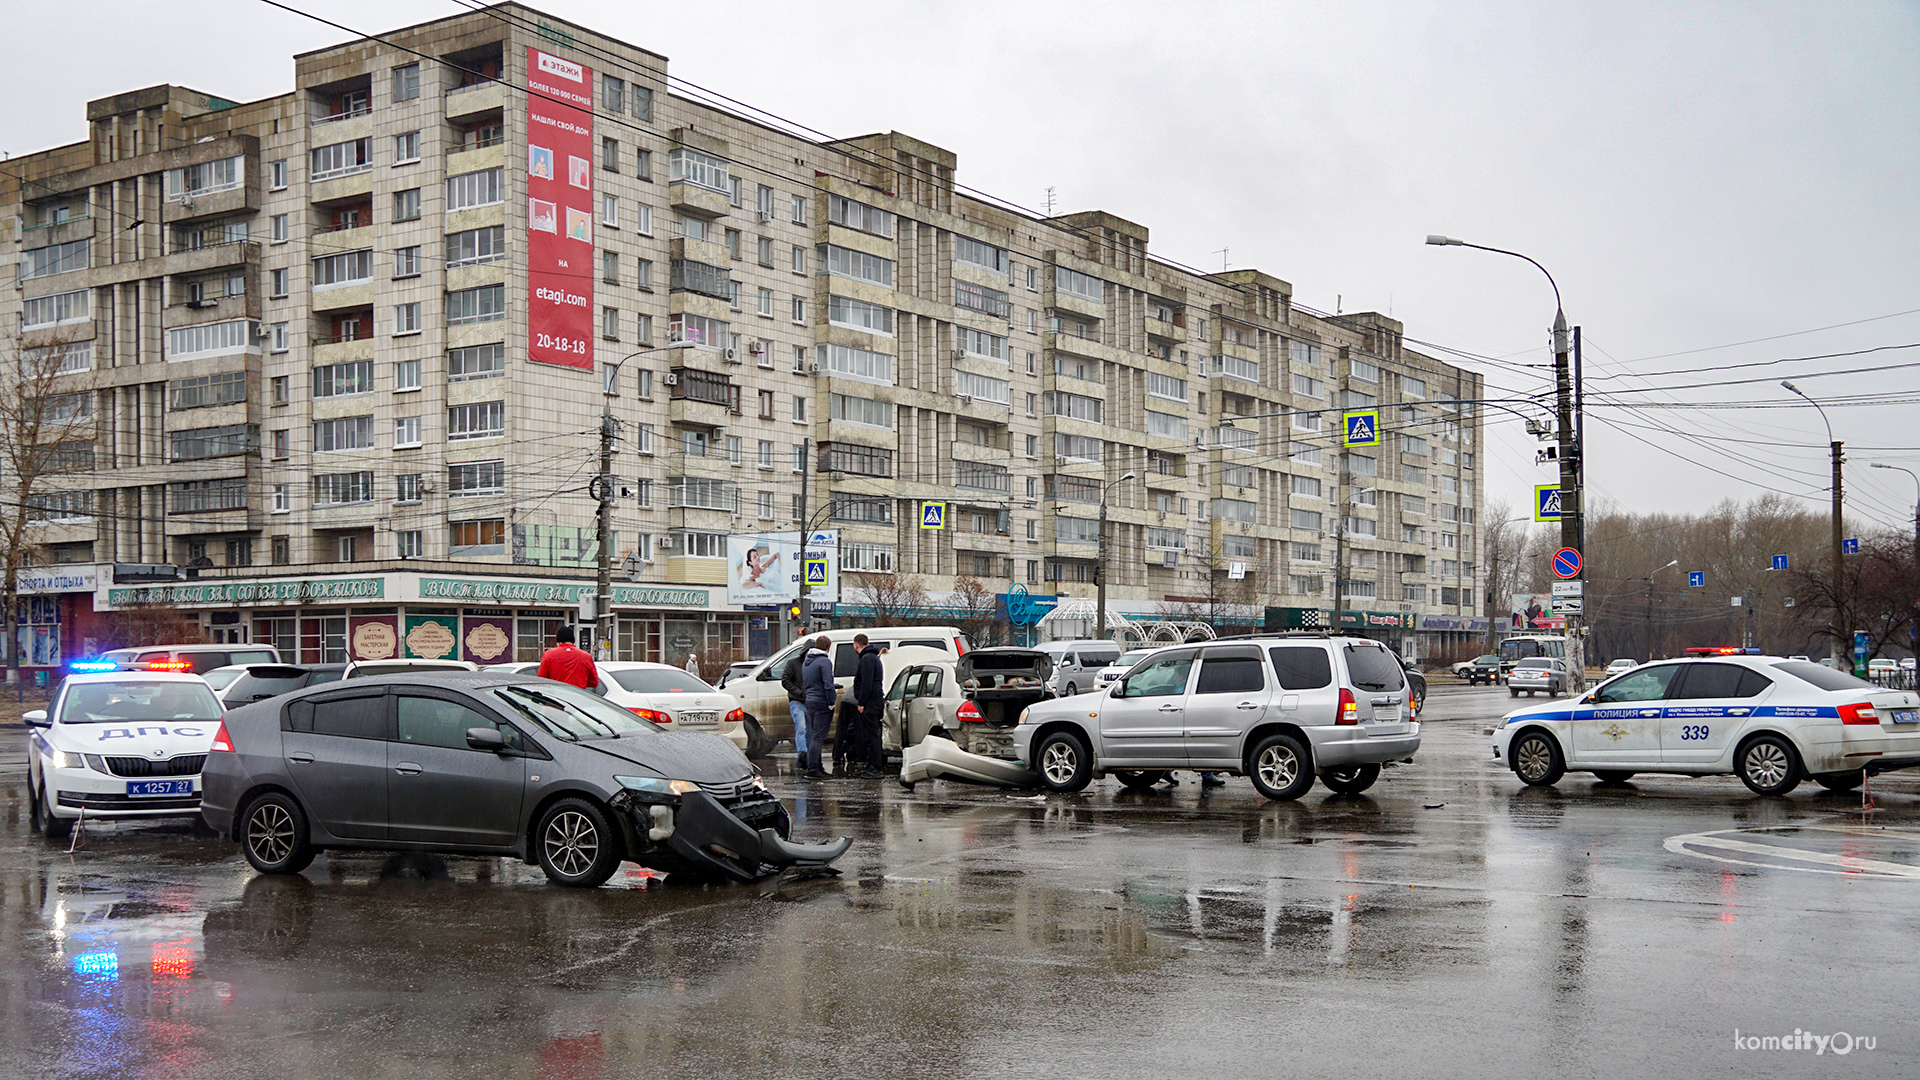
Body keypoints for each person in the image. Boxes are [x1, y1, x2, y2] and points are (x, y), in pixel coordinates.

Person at [848, 634, 886, 778]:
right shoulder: (872, 657)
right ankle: (871, 765)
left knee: (872, 736)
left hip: (871, 701)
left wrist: (862, 702)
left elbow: (867, 682)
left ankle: (875, 768)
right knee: (870, 735)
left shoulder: (867, 659)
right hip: (874, 700)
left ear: (856, 645)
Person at [800, 636, 836, 779]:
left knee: (814, 734)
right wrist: (831, 701)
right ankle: (813, 768)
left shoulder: (807, 662)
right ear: (828, 647)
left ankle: (818, 766)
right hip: (822, 702)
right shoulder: (824, 662)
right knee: (818, 737)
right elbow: (828, 684)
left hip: (810, 701)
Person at [536, 625, 597, 689]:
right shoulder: (586, 656)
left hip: (556, 695)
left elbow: (541, 680)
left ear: (558, 641)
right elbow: (594, 682)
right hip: (578, 695)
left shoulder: (548, 655)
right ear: (573, 640)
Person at [780, 636, 811, 760]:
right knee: (801, 728)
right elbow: (785, 681)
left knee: (809, 731)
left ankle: (808, 755)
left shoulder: (812, 664)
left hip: (809, 701)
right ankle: (802, 754)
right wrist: (798, 693)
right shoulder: (793, 663)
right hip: (797, 701)